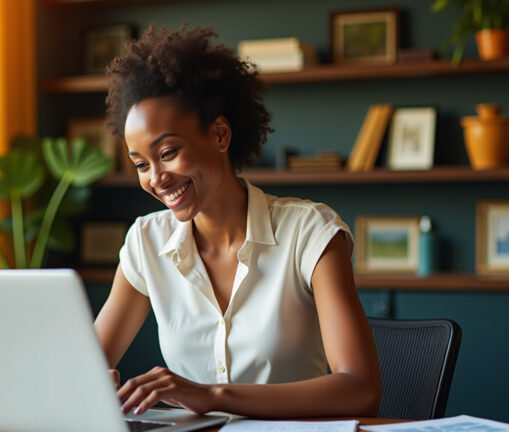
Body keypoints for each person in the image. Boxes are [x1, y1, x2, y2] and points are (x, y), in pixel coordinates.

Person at [94, 24, 381, 419]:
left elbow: (360, 390)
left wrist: (214, 395)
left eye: (169, 152)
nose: (156, 178)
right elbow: (87, 365)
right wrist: (89, 383)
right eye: (141, 164)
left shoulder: (310, 233)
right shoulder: (147, 241)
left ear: (220, 135)